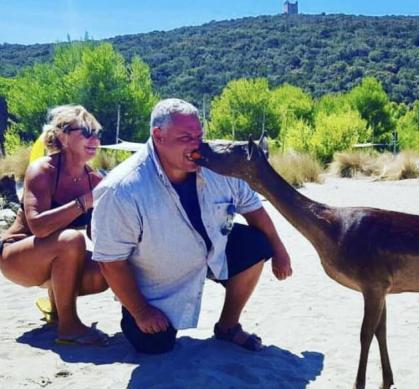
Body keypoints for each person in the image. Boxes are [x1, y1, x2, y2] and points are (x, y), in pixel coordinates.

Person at [91, 98, 292, 354]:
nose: (196, 145)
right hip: (158, 282)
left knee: (257, 244)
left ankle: (228, 327)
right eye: (185, 137)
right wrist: (141, 312)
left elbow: (254, 209)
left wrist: (279, 250)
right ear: (158, 135)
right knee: (155, 344)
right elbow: (110, 261)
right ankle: (140, 312)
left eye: (199, 135)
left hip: (212, 253)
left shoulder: (219, 166)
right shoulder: (121, 190)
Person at [0, 105, 108, 345]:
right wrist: (85, 202)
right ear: (63, 136)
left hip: (53, 256)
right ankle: (68, 326)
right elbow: (38, 226)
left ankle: (56, 308)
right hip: (15, 255)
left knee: (106, 268)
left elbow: (97, 233)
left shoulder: (94, 178)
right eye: (87, 132)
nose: (94, 139)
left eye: (98, 133)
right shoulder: (42, 170)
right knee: (71, 239)